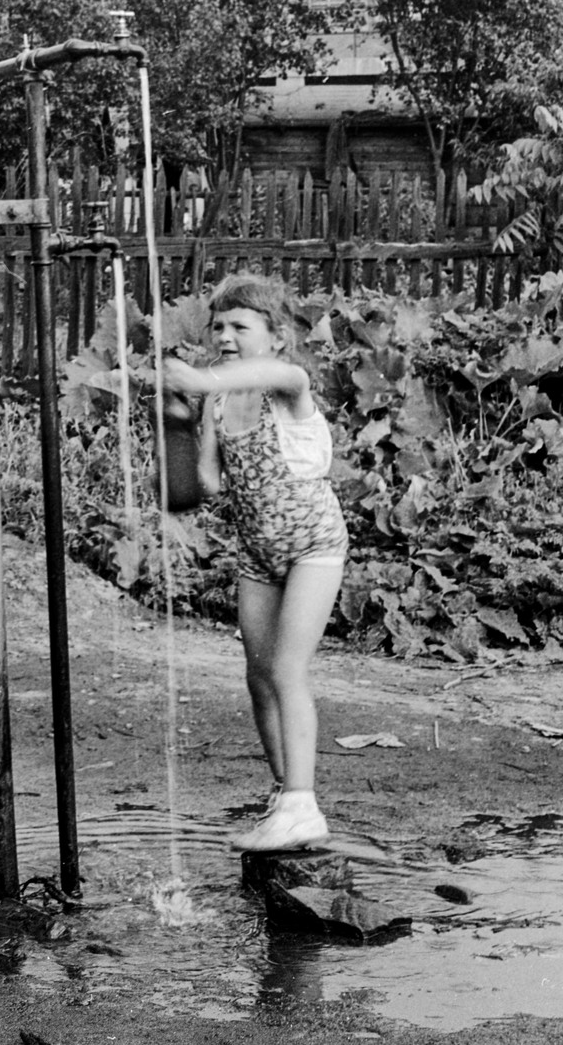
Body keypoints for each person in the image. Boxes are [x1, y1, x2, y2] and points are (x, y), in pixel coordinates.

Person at [161, 273, 350, 852]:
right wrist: (177, 426)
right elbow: (210, 483)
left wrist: (198, 377)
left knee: (289, 669)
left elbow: (276, 374)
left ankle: (304, 805)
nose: (225, 335)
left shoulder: (288, 383)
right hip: (258, 554)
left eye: (240, 326)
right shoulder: (220, 399)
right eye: (217, 326)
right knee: (258, 676)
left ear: (276, 335)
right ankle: (284, 795)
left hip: (314, 546)